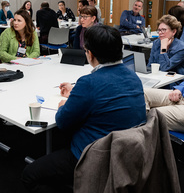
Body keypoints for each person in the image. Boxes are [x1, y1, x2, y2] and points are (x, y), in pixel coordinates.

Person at [21, 24, 146, 193]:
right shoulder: (133, 77)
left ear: (90, 54)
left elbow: (63, 122)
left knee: (29, 175)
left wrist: (64, 104)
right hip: (127, 153)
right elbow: (107, 95)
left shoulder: (88, 83)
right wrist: (76, 94)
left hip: (94, 156)